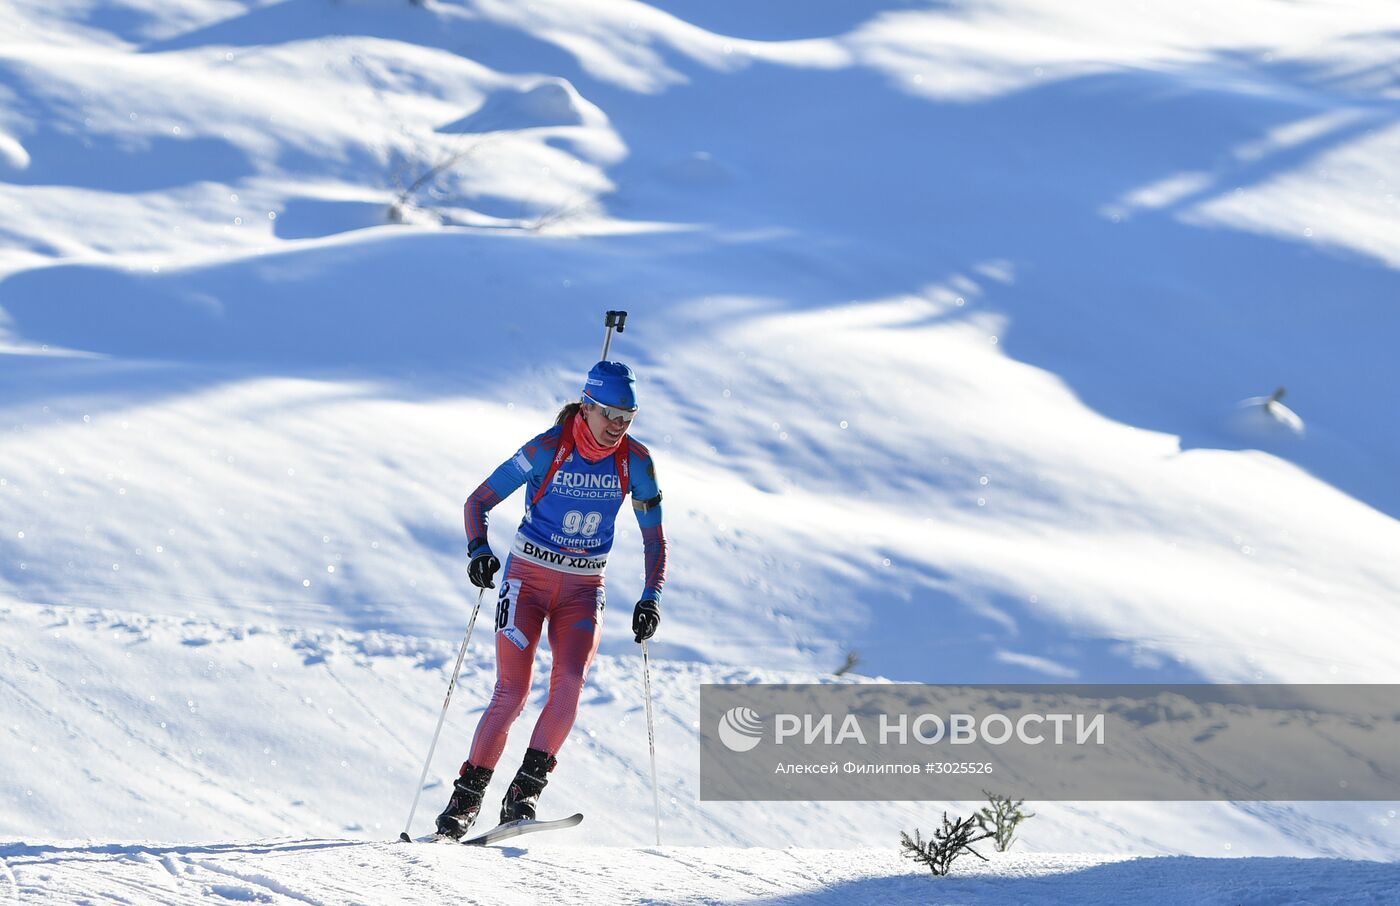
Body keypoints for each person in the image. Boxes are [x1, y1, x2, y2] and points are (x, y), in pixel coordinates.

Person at [435, 360, 668, 838]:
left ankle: (523, 795)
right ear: (587, 406)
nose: (619, 427)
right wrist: (478, 548)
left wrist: (650, 597)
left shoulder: (636, 462)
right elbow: (477, 501)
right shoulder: (547, 448)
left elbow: (654, 540)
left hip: (584, 590)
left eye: (629, 417)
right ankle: (463, 803)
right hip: (527, 582)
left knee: (568, 685)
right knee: (512, 693)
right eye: (611, 416)